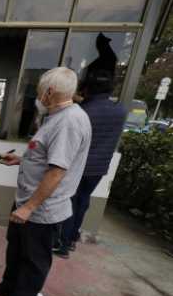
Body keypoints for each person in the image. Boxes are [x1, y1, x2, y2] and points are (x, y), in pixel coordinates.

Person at [0, 67, 92, 296]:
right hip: (28, 201)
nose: (38, 96)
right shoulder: (58, 115)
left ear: (50, 92)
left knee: (34, 259)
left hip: (41, 208)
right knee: (17, 248)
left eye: (40, 91)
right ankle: (9, 287)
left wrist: (29, 208)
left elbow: (56, 172)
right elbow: (47, 157)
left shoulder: (69, 122)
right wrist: (21, 159)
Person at [53, 69, 126, 259]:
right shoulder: (120, 111)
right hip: (100, 168)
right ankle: (72, 238)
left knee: (70, 202)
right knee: (83, 201)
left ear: (88, 90)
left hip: (80, 166)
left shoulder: (83, 111)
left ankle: (62, 244)